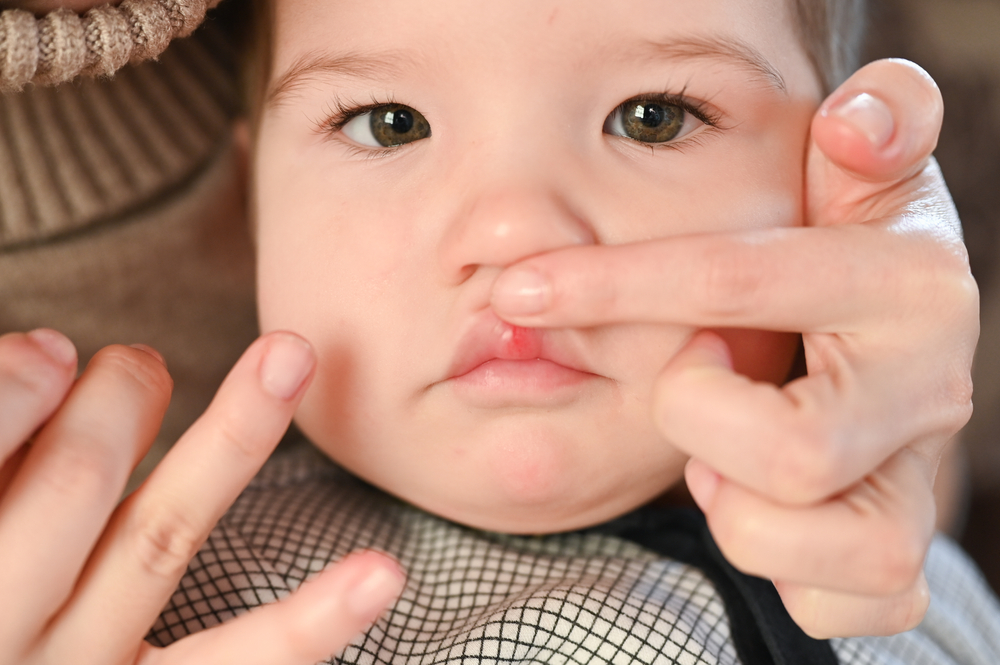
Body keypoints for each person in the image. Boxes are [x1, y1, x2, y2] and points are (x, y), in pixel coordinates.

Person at [0, 0, 994, 664]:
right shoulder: (135, 605)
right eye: (389, 122)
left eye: (652, 117)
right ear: (252, 203)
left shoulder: (901, 558)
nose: (514, 231)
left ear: (832, 190)